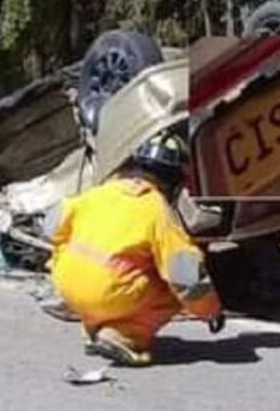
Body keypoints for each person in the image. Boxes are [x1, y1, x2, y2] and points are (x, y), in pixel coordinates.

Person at [46, 131, 225, 366]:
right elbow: (185, 274)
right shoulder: (157, 211)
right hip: (107, 295)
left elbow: (52, 224)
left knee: (108, 273)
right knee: (172, 290)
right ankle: (124, 335)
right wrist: (210, 310)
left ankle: (94, 328)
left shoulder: (98, 193)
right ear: (174, 180)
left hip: (66, 289)